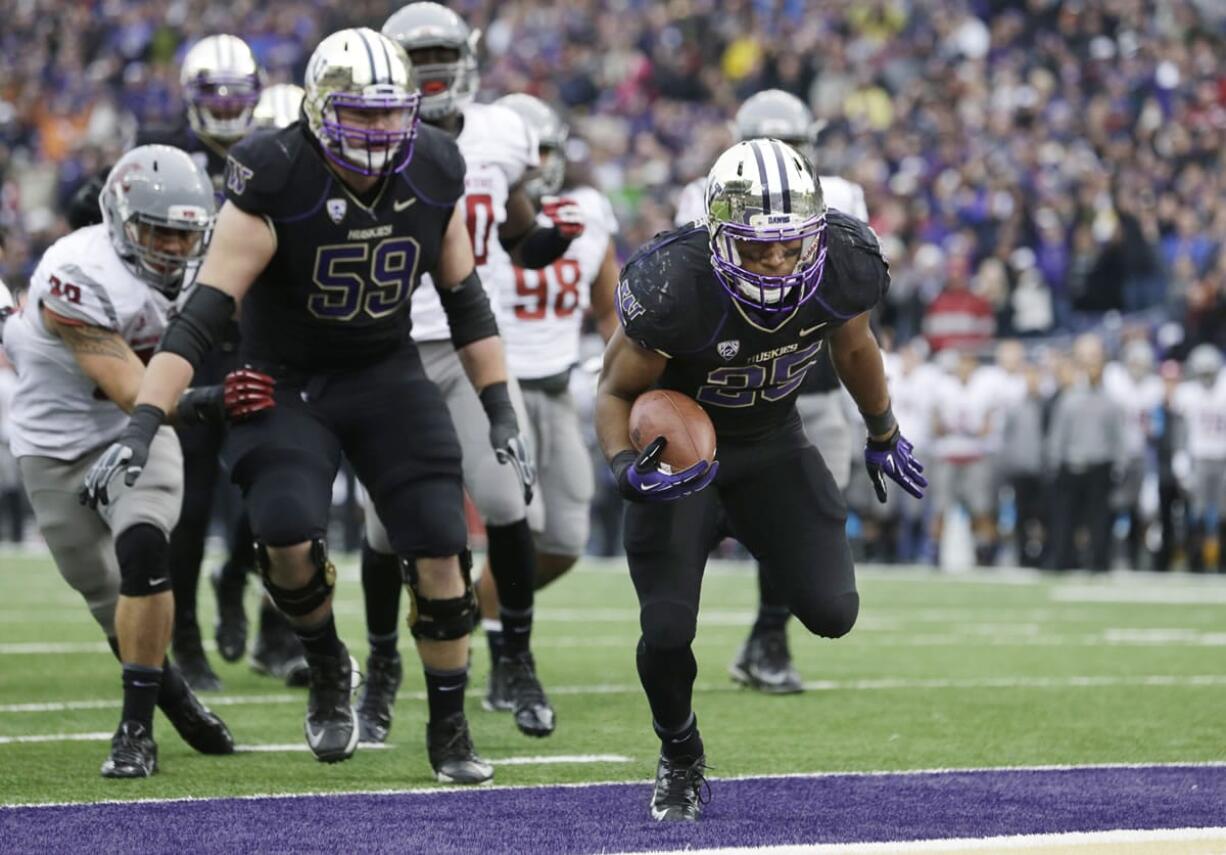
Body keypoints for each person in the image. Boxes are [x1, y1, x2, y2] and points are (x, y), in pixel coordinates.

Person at [82, 28, 516, 783]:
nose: (380, 131)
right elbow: (203, 315)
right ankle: (325, 663)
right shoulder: (275, 173)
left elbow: (467, 303)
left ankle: (449, 726)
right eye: (360, 113)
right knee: (282, 534)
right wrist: (146, 422)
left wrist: (501, 408)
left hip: (387, 372)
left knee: (442, 544)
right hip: (285, 377)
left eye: (390, 114)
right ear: (319, 108)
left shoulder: (438, 168)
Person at [595, 139, 925, 821]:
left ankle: (761, 645)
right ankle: (680, 749)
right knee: (665, 629)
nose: (776, 261)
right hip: (683, 467)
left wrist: (883, 427)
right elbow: (613, 390)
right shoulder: (673, 284)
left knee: (834, 611)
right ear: (718, 236)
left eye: (789, 246)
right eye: (756, 249)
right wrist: (627, 468)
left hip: (773, 446)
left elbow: (855, 344)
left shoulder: (843, 259)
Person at [360, 1, 585, 743]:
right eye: (415, 66)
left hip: (471, 344)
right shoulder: (368, 136)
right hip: (390, 344)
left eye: (439, 65)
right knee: (386, 527)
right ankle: (384, 662)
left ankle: (515, 657)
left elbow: (514, 228)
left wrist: (544, 242)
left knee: (507, 497)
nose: (430, 81)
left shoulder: (500, 133)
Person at [2, 146, 255, 778]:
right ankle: (172, 695)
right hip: (55, 440)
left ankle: (135, 731)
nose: (172, 247)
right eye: (157, 230)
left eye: (184, 233)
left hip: (136, 433)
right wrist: (218, 400)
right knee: (102, 594)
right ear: (119, 219)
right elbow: (132, 387)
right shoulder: (76, 272)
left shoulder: (208, 262)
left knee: (144, 548)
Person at [677, 89, 871, 694]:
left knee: (810, 517)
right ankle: (685, 632)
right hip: (735, 384)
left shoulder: (841, 198)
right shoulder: (706, 194)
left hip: (812, 381)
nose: (782, 157)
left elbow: (853, 308)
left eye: (794, 145)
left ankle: (769, 635)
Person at [476, 92, 619, 708]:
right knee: (518, 528)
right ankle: (506, 657)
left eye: (548, 151)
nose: (540, 163)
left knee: (563, 538)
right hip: (499, 383)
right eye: (529, 154)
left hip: (560, 386)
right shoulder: (483, 211)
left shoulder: (589, 209)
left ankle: (467, 605)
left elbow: (611, 307)